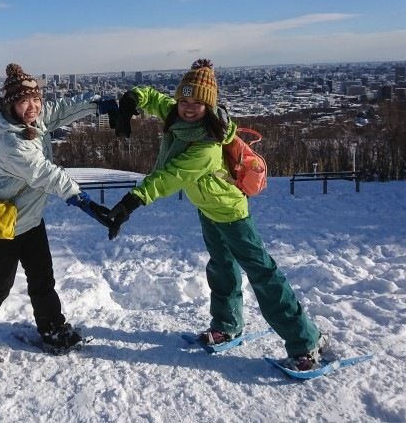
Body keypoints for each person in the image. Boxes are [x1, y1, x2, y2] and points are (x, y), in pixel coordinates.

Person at [106, 58, 327, 371]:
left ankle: (306, 340)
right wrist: (131, 101)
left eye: (197, 103)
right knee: (221, 267)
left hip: (231, 212)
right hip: (208, 210)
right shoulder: (177, 114)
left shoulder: (207, 145)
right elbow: (153, 98)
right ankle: (227, 324)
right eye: (184, 100)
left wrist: (130, 203)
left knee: (263, 274)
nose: (188, 107)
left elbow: (170, 176)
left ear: (208, 106)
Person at [0, 63, 117, 371]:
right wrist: (80, 198)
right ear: (10, 104)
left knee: (43, 277)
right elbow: (44, 173)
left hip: (30, 220)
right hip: (4, 225)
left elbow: (60, 109)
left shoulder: (33, 118)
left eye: (36, 99)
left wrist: (97, 103)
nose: (33, 107)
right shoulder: (9, 141)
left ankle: (52, 326)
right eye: (24, 101)